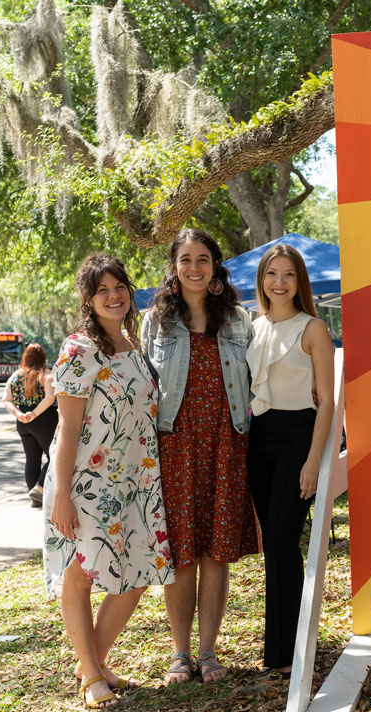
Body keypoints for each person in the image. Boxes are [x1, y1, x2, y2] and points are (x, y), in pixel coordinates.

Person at [43, 253, 174, 710]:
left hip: (136, 484)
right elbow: (69, 429)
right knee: (82, 575)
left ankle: (91, 660)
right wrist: (61, 494)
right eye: (103, 290)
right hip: (88, 483)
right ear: (88, 299)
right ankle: (93, 675)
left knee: (136, 574)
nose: (114, 296)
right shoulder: (78, 350)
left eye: (119, 287)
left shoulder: (135, 346)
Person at [142, 228, 258, 685]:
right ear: (174, 267)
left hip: (226, 443)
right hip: (175, 446)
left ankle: (208, 651)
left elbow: (261, 377)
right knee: (182, 551)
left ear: (215, 268)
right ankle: (180, 653)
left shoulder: (238, 320)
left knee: (216, 552)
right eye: (186, 259)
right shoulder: (155, 323)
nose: (194, 267)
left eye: (203, 259)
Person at [246, 243, 334, 679]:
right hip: (259, 439)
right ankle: (281, 648)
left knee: (283, 540)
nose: (279, 283)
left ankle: (291, 652)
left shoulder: (313, 328)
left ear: (300, 282)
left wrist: (315, 458)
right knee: (272, 546)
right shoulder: (252, 328)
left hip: (300, 437)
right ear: (262, 280)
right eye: (272, 274)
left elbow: (328, 402)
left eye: (288, 275)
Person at [2, 343, 57, 508]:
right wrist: (34, 414)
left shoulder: (15, 377)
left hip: (23, 423)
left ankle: (34, 496)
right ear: (43, 358)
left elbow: (6, 399)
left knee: (31, 459)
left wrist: (18, 414)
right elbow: (49, 399)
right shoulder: (47, 375)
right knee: (54, 455)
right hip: (44, 420)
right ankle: (39, 488)